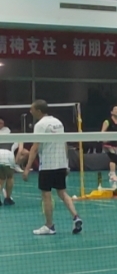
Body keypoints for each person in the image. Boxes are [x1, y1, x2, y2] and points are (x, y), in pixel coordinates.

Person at [21, 101, 82, 235]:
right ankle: (76, 216)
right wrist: (66, 163)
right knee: (62, 192)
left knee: (46, 195)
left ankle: (49, 226)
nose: (30, 111)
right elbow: (64, 143)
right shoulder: (58, 122)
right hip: (60, 164)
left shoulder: (40, 125)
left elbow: (35, 147)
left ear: (39, 111)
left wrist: (27, 168)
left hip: (47, 166)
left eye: (32, 109)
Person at [101, 102, 117, 193]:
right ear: (111, 112)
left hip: (114, 143)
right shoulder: (107, 121)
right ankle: (112, 175)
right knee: (113, 157)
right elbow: (102, 132)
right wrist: (104, 140)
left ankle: (111, 173)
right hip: (107, 143)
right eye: (115, 109)